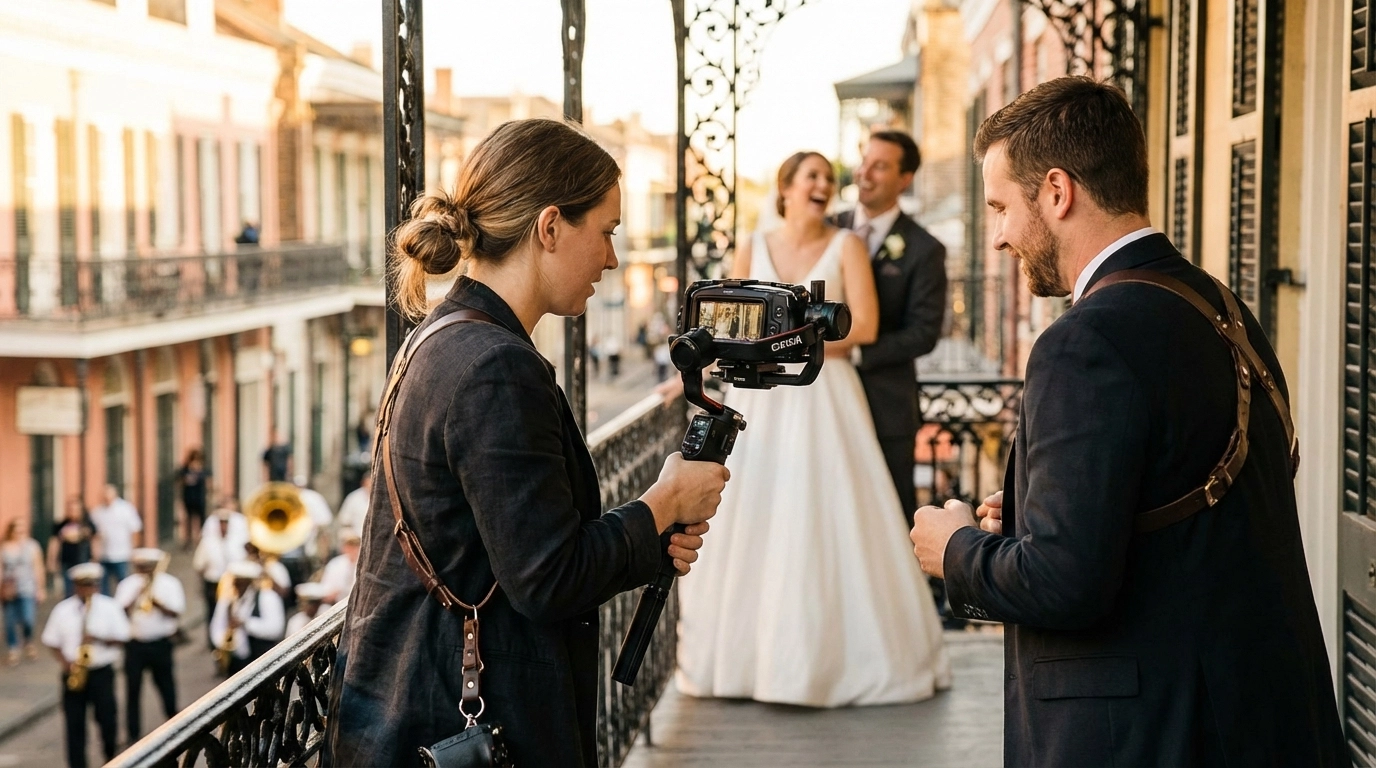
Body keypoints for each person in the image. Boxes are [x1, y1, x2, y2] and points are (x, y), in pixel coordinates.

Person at [909, 77, 1347, 766]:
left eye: (1000, 208)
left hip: (1149, 735)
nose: (997, 238)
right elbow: (1174, 510)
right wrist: (1032, 512)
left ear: (1057, 192)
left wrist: (956, 549)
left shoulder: (1086, 340)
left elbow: (1064, 583)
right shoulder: (1220, 308)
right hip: (1263, 720)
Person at [325, 118, 727, 768]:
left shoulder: (441, 335)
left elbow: (512, 548)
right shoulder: (494, 367)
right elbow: (550, 578)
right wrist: (662, 501)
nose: (612, 258)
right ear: (549, 227)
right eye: (605, 232)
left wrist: (647, 540)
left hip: (404, 709)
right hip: (462, 727)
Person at [674, 151, 950, 707]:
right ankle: (746, 662)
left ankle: (840, 661)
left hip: (826, 393)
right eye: (812, 176)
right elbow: (725, 319)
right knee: (755, 515)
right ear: (786, 188)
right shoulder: (753, 243)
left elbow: (865, 325)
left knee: (833, 516)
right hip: (758, 397)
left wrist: (790, 345)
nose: (824, 184)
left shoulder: (846, 245)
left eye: (829, 177)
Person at [835, 130, 948, 522]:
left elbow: (924, 332)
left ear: (904, 179)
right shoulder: (828, 228)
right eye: (864, 161)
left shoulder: (924, 248)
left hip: (887, 407)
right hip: (823, 399)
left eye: (879, 166)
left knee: (887, 516)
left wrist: (857, 352)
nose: (864, 173)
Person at [42, 563, 130, 768]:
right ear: (75, 587)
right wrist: (66, 664)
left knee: (108, 720)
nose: (88, 590)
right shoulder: (62, 610)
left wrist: (98, 638)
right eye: (83, 586)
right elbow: (51, 641)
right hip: (74, 672)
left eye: (92, 585)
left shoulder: (110, 607)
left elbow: (124, 637)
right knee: (74, 726)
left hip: (101, 672)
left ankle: (112, 758)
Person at [114, 548, 183, 742]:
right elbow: (119, 613)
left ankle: (175, 724)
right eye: (141, 568)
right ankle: (132, 733)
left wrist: (158, 603)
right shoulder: (127, 585)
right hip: (135, 645)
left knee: (166, 685)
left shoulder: (170, 584)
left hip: (161, 644)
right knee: (132, 689)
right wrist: (136, 596)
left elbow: (177, 612)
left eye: (148, 568)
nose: (145, 572)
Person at [209, 560, 285, 676]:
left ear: (250, 583)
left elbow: (276, 629)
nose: (237, 587)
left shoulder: (267, 597)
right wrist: (223, 644)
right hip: (235, 661)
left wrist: (246, 624)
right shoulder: (227, 601)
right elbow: (216, 626)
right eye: (235, 582)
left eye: (241, 583)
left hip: (261, 660)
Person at [192, 501, 248, 647]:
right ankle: (214, 644)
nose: (223, 527)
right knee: (212, 614)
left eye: (226, 523)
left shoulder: (238, 541)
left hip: (232, 583)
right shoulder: (208, 542)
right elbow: (199, 565)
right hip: (214, 583)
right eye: (221, 523)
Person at [2, 519, 46, 665]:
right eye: (17, 530)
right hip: (9, 589)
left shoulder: (32, 546)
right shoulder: (5, 547)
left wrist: (40, 588)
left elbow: (38, 567)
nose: (19, 533)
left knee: (28, 619)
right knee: (9, 621)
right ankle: (13, 649)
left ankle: (28, 641)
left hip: (27, 587)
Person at [90, 484, 142, 597]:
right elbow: (94, 534)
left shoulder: (125, 509)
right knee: (103, 585)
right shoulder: (97, 512)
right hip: (103, 555)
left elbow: (135, 529)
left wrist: (134, 549)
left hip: (121, 553)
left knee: (123, 583)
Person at [48, 498, 97, 598]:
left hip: (84, 560)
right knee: (69, 590)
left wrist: (95, 558)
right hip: (67, 561)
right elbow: (54, 543)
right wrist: (52, 561)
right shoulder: (61, 525)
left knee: (85, 589)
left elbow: (95, 540)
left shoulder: (87, 524)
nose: (73, 512)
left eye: (75, 509)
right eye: (70, 509)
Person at [176, 448, 211, 549]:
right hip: (189, 497)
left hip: (200, 497)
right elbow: (179, 481)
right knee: (189, 519)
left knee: (202, 519)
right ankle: (188, 540)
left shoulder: (203, 471)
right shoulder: (185, 470)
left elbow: (208, 482)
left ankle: (202, 540)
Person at [319, 530, 359, 605]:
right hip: (336, 604)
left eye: (354, 545)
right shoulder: (335, 564)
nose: (351, 549)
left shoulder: (363, 564)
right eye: (349, 545)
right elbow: (325, 588)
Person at [335, 470, 371, 538]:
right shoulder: (353, 498)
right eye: (368, 483)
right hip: (356, 539)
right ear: (363, 483)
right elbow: (344, 521)